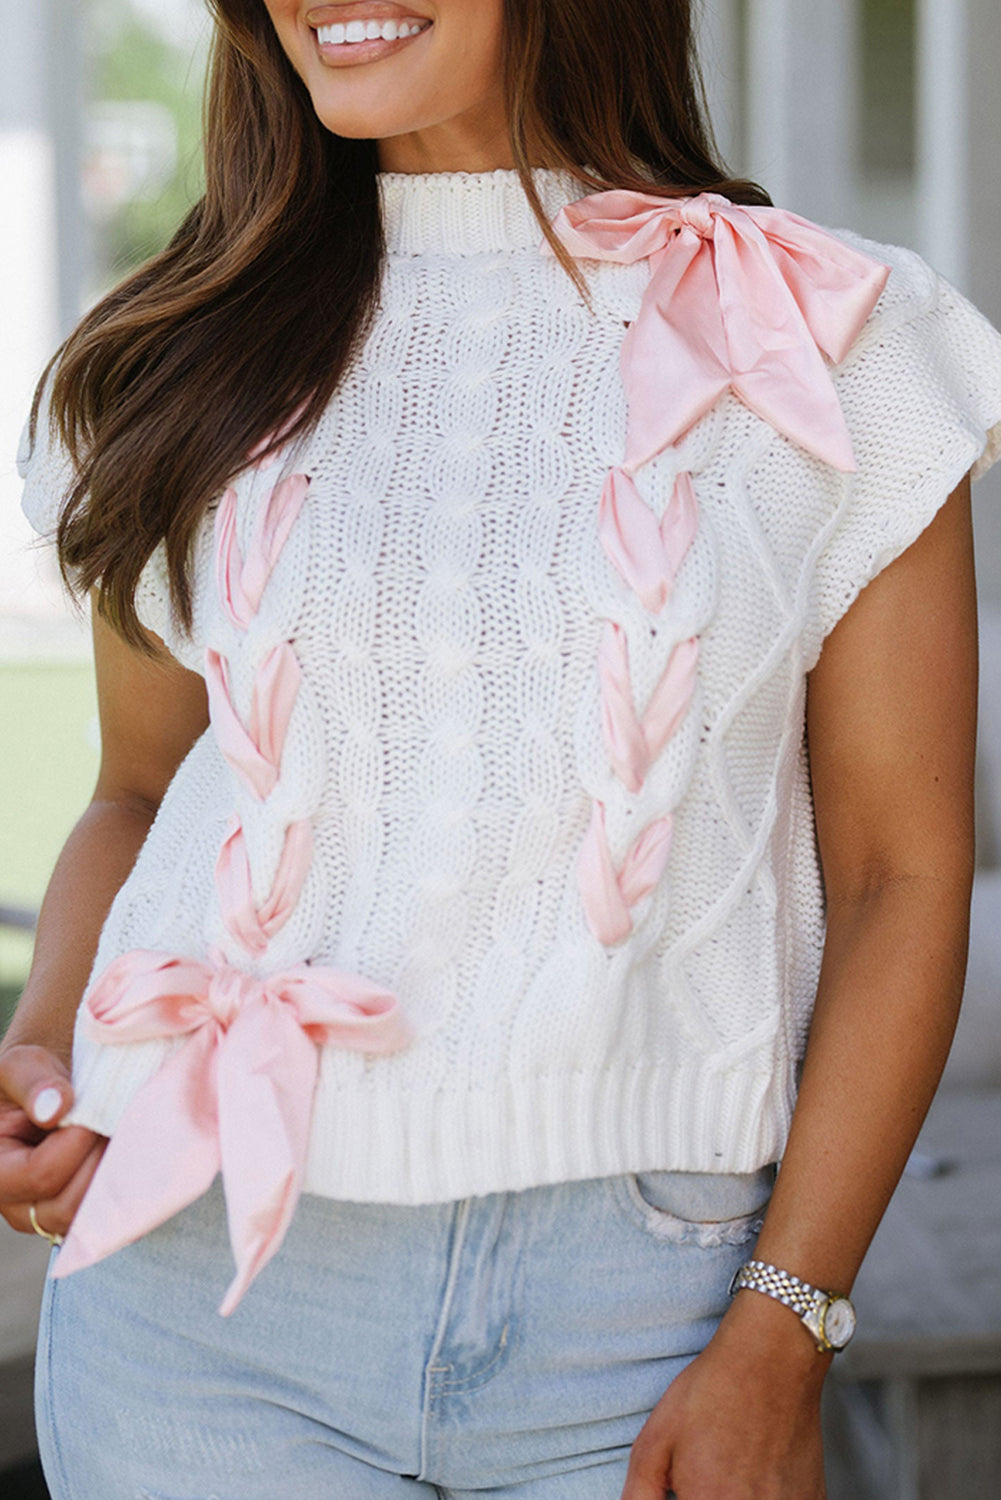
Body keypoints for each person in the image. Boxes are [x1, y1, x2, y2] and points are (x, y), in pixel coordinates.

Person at [4, 1, 1001, 1495]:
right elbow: (140, 791)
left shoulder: (832, 335)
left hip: (645, 1324)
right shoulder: (173, 352)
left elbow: (896, 874)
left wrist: (782, 1330)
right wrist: (40, 1045)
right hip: (196, 1315)